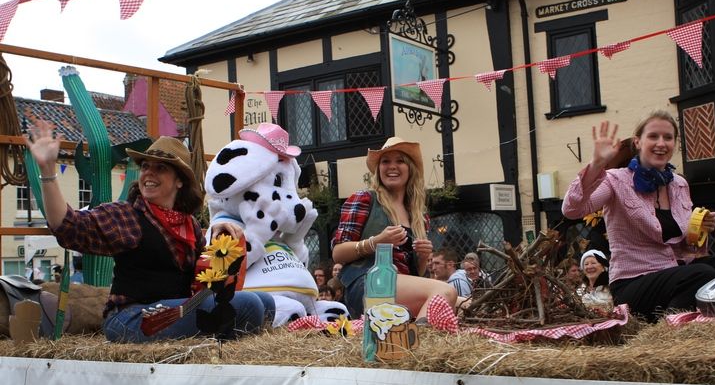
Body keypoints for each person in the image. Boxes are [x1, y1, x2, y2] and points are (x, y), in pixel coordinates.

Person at [26, 119, 272, 342]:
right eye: (145, 166)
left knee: (266, 302)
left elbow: (202, 281)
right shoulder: (128, 215)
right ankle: (219, 348)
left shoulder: (189, 225)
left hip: (174, 311)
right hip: (131, 318)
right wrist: (48, 172)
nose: (149, 173)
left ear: (179, 181)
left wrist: (218, 238)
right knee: (248, 304)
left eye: (160, 168)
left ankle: (219, 347)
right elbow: (67, 226)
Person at [562, 112, 715, 321]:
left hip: (675, 272)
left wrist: (699, 230)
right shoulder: (615, 180)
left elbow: (685, 249)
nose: (661, 143)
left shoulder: (679, 184)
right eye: (653, 136)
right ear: (638, 142)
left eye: (668, 137)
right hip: (633, 282)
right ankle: (672, 328)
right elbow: (572, 210)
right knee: (701, 274)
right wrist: (596, 165)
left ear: (675, 143)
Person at [332, 137, 456, 319]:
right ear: (378, 169)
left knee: (463, 303)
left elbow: (416, 273)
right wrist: (376, 242)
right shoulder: (365, 199)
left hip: (401, 287)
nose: (392, 166)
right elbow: (338, 253)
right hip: (368, 283)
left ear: (410, 169)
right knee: (445, 292)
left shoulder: (419, 216)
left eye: (400, 161)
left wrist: (423, 257)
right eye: (385, 161)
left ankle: (416, 329)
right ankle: (421, 335)